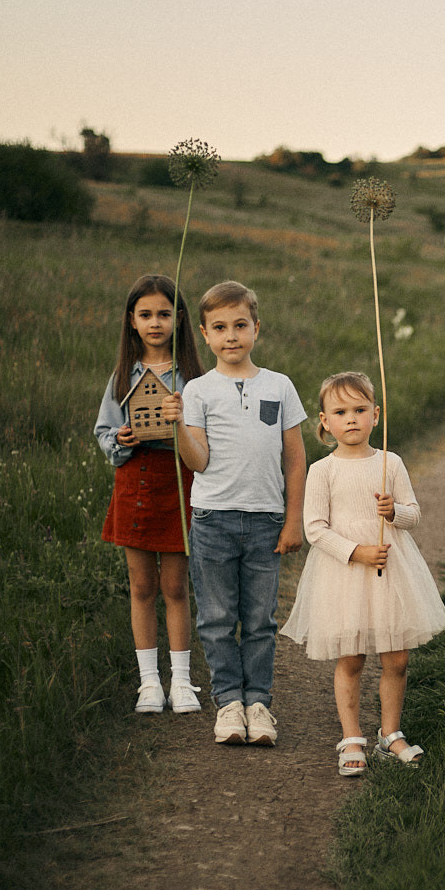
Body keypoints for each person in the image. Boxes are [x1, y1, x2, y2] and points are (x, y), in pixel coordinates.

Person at [281, 372, 445, 776]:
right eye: (340, 412)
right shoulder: (323, 470)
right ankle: (352, 735)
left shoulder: (389, 462)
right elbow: (315, 528)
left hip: (391, 571)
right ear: (324, 422)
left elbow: (413, 515)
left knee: (396, 658)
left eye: (360, 410)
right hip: (345, 574)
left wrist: (394, 512)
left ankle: (390, 732)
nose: (351, 419)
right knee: (352, 657)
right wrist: (356, 551)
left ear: (377, 415)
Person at [163, 281, 306, 747]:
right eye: (219, 327)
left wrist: (293, 518)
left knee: (261, 618)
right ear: (204, 334)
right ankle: (228, 703)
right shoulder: (199, 391)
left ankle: (258, 702)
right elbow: (197, 461)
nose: (231, 336)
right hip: (213, 519)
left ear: (256, 328)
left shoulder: (279, 386)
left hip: (265, 518)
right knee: (218, 616)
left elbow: (295, 459)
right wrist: (177, 425)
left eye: (240, 325)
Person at [95, 274, 204, 715]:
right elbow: (104, 431)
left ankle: (181, 681)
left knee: (176, 586)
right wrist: (120, 439)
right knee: (141, 586)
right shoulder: (124, 375)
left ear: (178, 319)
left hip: (178, 481)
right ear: (132, 321)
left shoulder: (193, 376)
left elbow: (203, 435)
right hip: (134, 483)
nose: (155, 322)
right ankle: (148, 684)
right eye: (146, 315)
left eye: (164, 313)